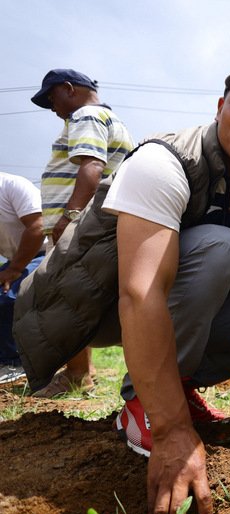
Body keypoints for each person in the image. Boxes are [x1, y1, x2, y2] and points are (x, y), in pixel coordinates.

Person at [15, 63, 230, 514]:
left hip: (163, 305)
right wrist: (171, 431)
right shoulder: (163, 162)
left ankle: (177, 386)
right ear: (220, 108)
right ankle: (142, 406)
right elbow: (139, 292)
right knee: (221, 246)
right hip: (93, 307)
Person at [30, 68, 135, 397]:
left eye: (52, 98)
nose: (53, 108)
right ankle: (81, 371)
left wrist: (69, 218)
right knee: (76, 299)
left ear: (69, 89)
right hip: (98, 225)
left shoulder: (86, 115)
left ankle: (76, 375)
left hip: (81, 225)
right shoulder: (108, 118)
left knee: (64, 301)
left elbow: (91, 168)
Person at [0, 173, 44, 383]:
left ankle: (13, 364)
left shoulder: (12, 186)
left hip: (44, 251)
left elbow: (38, 227)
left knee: (7, 297)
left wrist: (15, 268)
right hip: (16, 258)